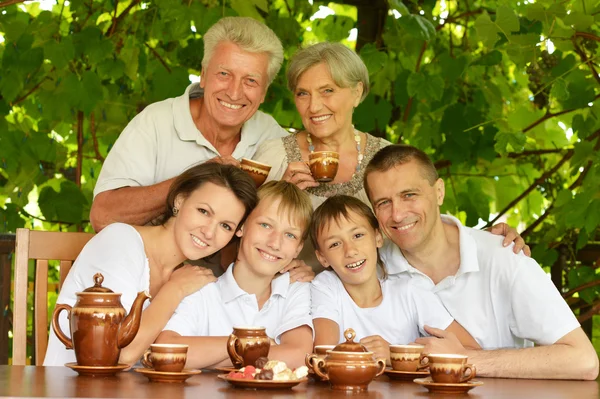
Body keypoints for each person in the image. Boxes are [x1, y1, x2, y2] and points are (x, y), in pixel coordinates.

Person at [253, 42, 529, 271]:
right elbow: (238, 242)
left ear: (357, 92)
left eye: (328, 91)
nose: (314, 106)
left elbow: (424, 227)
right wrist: (279, 196)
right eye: (303, 94)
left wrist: (491, 243)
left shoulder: (388, 159)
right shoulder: (275, 156)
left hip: (378, 307)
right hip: (291, 300)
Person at [363, 144, 600, 380]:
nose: (397, 214)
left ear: (439, 192)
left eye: (409, 195)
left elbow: (583, 360)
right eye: (383, 203)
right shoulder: (367, 269)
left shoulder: (503, 256)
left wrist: (463, 360)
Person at [44, 163, 258, 366]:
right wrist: (175, 290)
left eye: (226, 226)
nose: (209, 232)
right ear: (180, 200)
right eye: (203, 211)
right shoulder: (120, 242)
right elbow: (118, 355)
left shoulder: (190, 274)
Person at [90, 17, 287, 232]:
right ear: (203, 75)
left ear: (264, 93)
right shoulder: (157, 121)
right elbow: (103, 216)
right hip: (152, 264)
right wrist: (193, 181)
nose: (234, 92)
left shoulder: (272, 135)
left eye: (251, 80)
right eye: (224, 74)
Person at [156, 181, 314, 369]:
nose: (275, 243)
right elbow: (167, 352)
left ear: (298, 249)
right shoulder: (201, 289)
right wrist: (247, 343)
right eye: (265, 225)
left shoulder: (295, 289)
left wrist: (209, 358)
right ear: (241, 227)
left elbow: (298, 357)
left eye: (290, 235)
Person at [309, 195, 480, 365]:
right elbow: (325, 356)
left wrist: (396, 355)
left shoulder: (410, 289)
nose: (350, 251)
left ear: (377, 237)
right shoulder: (325, 287)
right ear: (322, 258)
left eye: (358, 235)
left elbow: (470, 351)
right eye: (334, 244)